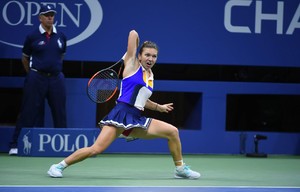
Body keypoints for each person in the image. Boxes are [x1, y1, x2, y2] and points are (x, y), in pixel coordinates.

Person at [47, 30, 200, 179]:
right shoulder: (132, 65)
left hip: (136, 118)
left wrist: (159, 107)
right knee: (96, 149)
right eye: (147, 54)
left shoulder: (150, 75)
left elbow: (141, 100)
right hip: (120, 114)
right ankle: (59, 166)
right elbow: (133, 34)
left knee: (172, 132)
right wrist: (129, 55)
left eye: (154, 56)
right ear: (139, 56)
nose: (151, 58)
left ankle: (180, 169)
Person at [8, 4, 67, 155]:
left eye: (52, 15)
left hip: (56, 79)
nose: (50, 17)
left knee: (60, 113)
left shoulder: (61, 36)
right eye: (46, 15)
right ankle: (16, 145)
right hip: (36, 77)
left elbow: (61, 55)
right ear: (40, 18)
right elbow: (25, 58)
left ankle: (63, 147)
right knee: (27, 111)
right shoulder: (32, 36)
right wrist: (32, 74)